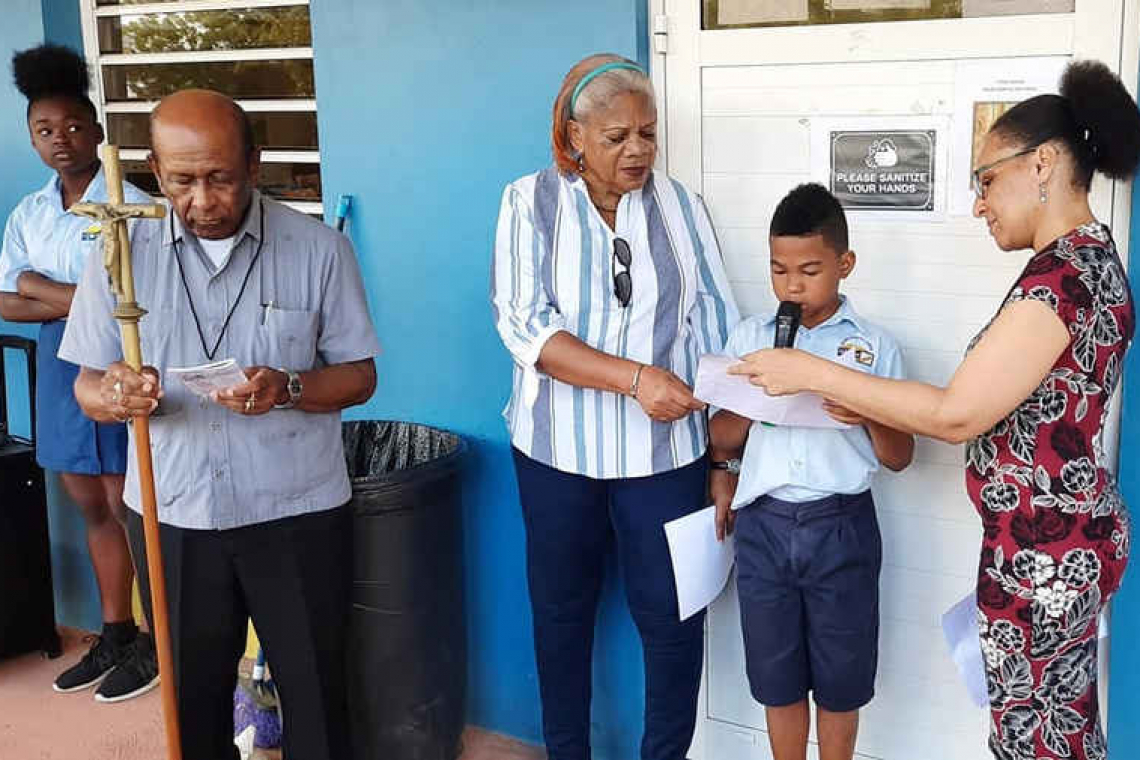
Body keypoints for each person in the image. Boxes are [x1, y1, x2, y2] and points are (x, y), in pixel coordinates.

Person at [729, 61, 1137, 760]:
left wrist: (810, 371)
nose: (979, 204)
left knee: (1036, 740)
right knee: (1057, 731)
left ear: (1040, 165)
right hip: (1050, 546)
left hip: (1046, 558)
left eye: (986, 180)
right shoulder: (1086, 264)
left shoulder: (1064, 278)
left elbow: (955, 414)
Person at [59, 88, 380, 760]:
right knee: (191, 699)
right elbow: (88, 385)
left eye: (220, 179)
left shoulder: (319, 249)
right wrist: (117, 394)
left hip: (296, 512)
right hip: (174, 513)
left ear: (254, 164)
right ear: (154, 167)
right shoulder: (120, 254)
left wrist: (289, 386)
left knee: (319, 694)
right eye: (181, 180)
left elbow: (359, 377)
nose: (202, 201)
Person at [490, 53, 739, 760]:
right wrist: (635, 379)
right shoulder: (527, 202)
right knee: (562, 618)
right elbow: (523, 326)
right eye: (617, 137)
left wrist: (724, 456)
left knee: (671, 619)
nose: (638, 151)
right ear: (573, 138)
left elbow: (717, 328)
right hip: (555, 453)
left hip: (666, 457)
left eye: (648, 134)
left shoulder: (684, 208)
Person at [708, 183, 914, 760]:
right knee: (776, 676)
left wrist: (868, 408)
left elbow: (899, 456)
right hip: (764, 527)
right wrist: (750, 403)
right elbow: (718, 438)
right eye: (778, 271)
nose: (792, 286)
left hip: (840, 525)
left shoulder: (873, 349)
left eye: (809, 270)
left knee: (841, 680)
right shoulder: (751, 338)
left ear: (845, 265)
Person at [0, 43, 158, 702]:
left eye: (71, 127)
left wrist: (40, 285)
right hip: (62, 378)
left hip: (119, 366)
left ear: (96, 131)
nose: (59, 140)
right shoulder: (30, 213)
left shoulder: (130, 203)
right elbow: (4, 299)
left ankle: (158, 639)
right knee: (90, 506)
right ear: (32, 139)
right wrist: (69, 294)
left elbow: (137, 300)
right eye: (44, 130)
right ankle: (116, 631)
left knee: (133, 508)